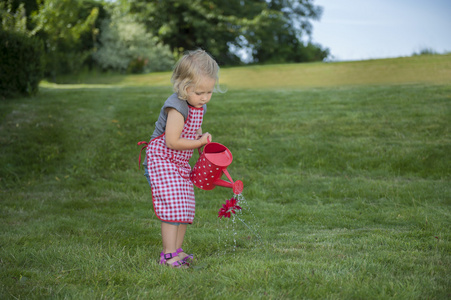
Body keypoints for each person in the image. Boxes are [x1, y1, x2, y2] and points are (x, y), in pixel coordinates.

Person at [138, 49, 221, 268]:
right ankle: (167, 256)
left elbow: (192, 133)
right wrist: (199, 143)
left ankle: (177, 251)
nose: (204, 97)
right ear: (184, 87)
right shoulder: (177, 106)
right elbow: (172, 142)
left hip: (178, 163)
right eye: (199, 92)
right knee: (172, 207)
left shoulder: (197, 105)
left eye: (209, 92)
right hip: (161, 161)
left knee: (184, 206)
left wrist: (201, 139)